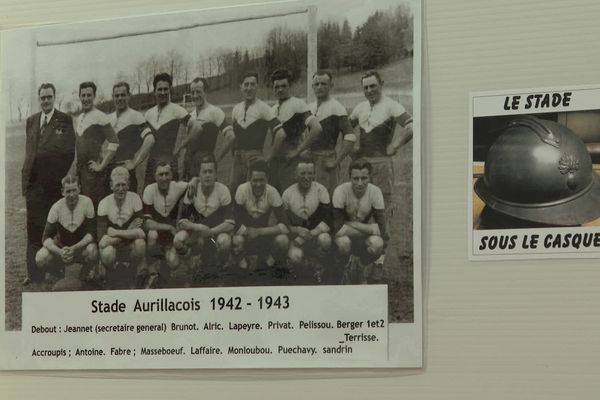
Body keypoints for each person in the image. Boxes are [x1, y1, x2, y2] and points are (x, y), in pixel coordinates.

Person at [22, 83, 76, 285]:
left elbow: (69, 152)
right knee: (33, 230)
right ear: (39, 99)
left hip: (53, 187)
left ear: (54, 97)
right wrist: (26, 182)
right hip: (33, 188)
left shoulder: (64, 120)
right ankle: (33, 273)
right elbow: (30, 153)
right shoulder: (31, 121)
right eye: (42, 97)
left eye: (49, 97)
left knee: (53, 230)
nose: (45, 101)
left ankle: (55, 271)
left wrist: (56, 178)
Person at [216, 72, 285, 191]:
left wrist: (268, 157)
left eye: (252, 84)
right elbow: (234, 136)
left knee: (254, 193)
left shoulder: (264, 108)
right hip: (237, 159)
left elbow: (281, 133)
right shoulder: (236, 109)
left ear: (257, 86)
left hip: (255, 157)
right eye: (246, 84)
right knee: (234, 192)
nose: (249, 88)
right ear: (241, 87)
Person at [173, 155, 234, 282]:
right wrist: (198, 227)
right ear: (199, 175)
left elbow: (230, 223)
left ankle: (219, 268)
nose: (207, 175)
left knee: (225, 241)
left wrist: (210, 231)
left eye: (210, 172)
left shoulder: (223, 190)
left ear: (216, 174)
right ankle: (191, 265)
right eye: (204, 172)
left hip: (213, 237)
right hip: (197, 236)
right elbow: (181, 222)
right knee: (178, 240)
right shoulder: (193, 190)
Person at [35, 175, 97, 288]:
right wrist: (59, 252)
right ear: (62, 192)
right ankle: (58, 274)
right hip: (62, 248)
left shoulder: (87, 202)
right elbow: (45, 237)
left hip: (80, 248)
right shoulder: (56, 207)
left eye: (74, 190)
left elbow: (92, 233)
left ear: (79, 188)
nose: (72, 194)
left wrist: (75, 248)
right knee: (40, 258)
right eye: (68, 191)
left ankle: (85, 274)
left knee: (92, 251)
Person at [332, 159, 388, 284]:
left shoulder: (375, 192)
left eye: (364, 178)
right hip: (343, 237)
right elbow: (337, 229)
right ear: (349, 177)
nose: (360, 183)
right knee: (343, 243)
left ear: (370, 177)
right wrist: (371, 229)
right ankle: (343, 269)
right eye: (355, 178)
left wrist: (350, 224)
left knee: (377, 244)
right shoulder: (340, 191)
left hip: (354, 234)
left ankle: (360, 268)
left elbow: (382, 229)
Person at [232, 160, 290, 278]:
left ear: (267, 178)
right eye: (255, 180)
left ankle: (268, 266)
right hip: (245, 234)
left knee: (283, 240)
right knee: (236, 240)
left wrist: (259, 232)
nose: (258, 184)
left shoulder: (272, 192)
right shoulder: (242, 190)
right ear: (249, 178)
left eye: (261, 180)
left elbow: (285, 225)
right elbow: (235, 220)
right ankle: (242, 267)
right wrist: (248, 232)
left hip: (264, 234)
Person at [269, 68, 322, 192]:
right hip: (275, 162)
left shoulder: (298, 104)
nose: (280, 89)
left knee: (290, 198)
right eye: (276, 87)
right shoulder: (272, 109)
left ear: (290, 86)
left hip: (291, 161)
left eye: (283, 86)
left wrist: (298, 151)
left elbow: (317, 128)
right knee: (274, 199)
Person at [281, 157, 332, 283]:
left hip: (314, 236)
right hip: (295, 238)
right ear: (295, 175)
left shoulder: (321, 190)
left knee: (325, 239)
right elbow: (284, 222)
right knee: (295, 257)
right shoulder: (287, 194)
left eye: (310, 173)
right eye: (302, 173)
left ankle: (319, 267)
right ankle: (297, 272)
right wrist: (296, 231)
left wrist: (306, 236)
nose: (306, 177)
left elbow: (327, 219)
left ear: (315, 174)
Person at [172, 77, 232, 180]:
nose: (195, 95)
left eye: (198, 92)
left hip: (204, 165)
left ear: (205, 92)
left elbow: (231, 136)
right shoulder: (191, 115)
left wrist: (216, 160)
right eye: (192, 92)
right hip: (188, 164)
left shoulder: (214, 112)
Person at [142, 160, 189, 287]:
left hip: (170, 238)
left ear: (172, 175)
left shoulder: (178, 186)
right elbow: (147, 223)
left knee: (173, 262)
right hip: (157, 235)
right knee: (152, 235)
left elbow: (193, 185)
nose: (164, 178)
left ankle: (165, 266)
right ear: (155, 176)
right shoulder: (149, 190)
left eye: (167, 174)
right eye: (160, 174)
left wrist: (195, 181)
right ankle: (152, 273)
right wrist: (168, 227)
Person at [73, 81, 119, 207]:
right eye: (83, 95)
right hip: (80, 170)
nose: (86, 99)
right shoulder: (79, 118)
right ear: (80, 97)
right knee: (81, 205)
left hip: (93, 173)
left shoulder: (100, 116)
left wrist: (101, 166)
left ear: (94, 96)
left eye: (89, 95)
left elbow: (114, 142)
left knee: (94, 206)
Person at [97, 167, 146, 288]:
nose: (121, 189)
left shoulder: (135, 199)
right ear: (111, 186)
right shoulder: (104, 203)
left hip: (128, 246)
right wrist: (130, 231)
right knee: (107, 252)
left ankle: (131, 271)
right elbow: (102, 242)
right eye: (117, 185)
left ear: (129, 185)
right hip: (112, 248)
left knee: (140, 244)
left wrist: (115, 232)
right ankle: (112, 274)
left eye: (124, 185)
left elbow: (142, 233)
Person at [308, 70, 356, 194]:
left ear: (331, 86)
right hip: (309, 159)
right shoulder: (310, 107)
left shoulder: (337, 107)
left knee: (325, 198)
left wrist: (336, 161)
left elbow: (350, 137)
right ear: (312, 86)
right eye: (317, 84)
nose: (320, 87)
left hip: (325, 158)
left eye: (324, 84)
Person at [140, 73, 190, 187]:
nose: (162, 92)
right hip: (152, 162)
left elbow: (196, 128)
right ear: (155, 91)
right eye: (160, 89)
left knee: (171, 200)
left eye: (165, 89)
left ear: (170, 90)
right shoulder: (148, 114)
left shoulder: (178, 110)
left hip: (169, 162)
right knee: (149, 198)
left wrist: (180, 147)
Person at [108, 81, 151, 194]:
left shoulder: (136, 116)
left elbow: (150, 139)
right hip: (108, 171)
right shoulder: (108, 118)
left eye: (123, 95)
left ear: (129, 96)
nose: (120, 98)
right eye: (117, 95)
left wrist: (135, 162)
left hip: (126, 171)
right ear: (112, 97)